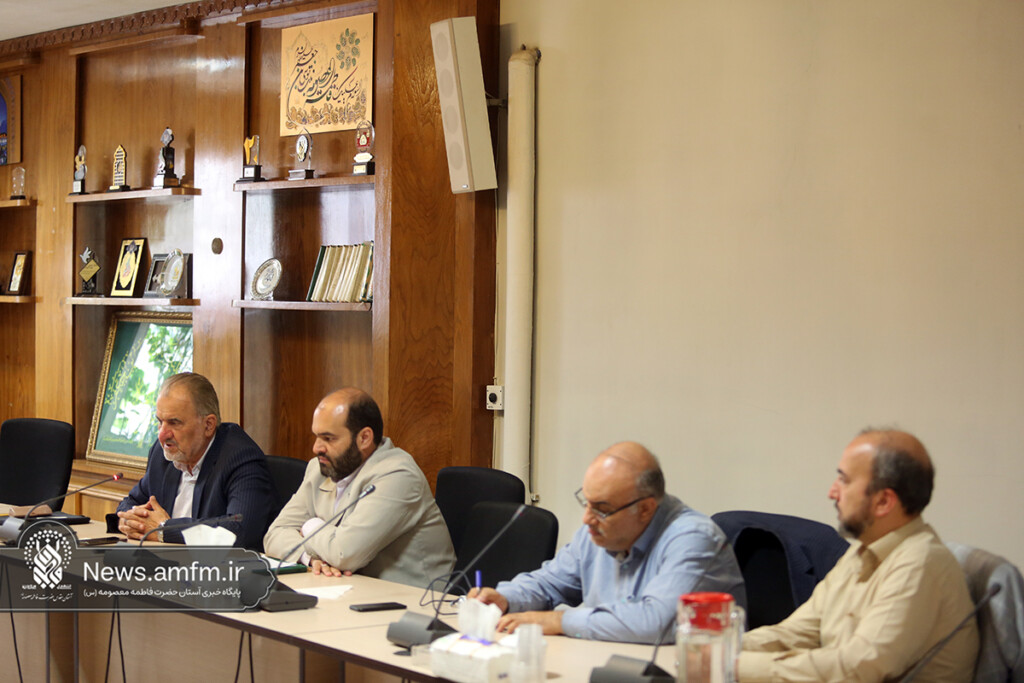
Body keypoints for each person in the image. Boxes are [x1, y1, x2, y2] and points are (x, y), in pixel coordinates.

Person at [738, 429, 979, 683]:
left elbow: (857, 669)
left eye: (844, 480)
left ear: (883, 501)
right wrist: (718, 649)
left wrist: (731, 665)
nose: (832, 492)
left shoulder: (920, 563)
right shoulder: (861, 551)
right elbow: (797, 633)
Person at [469, 441, 746, 644]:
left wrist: (558, 621)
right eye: (586, 502)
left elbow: (656, 622)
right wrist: (506, 598)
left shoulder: (693, 539)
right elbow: (549, 583)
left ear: (646, 509)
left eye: (601, 508)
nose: (587, 519)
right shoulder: (597, 531)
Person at [263, 388, 455, 588]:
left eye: (328, 438)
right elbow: (274, 534)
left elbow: (344, 554)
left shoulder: (398, 475)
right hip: (346, 589)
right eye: (317, 436)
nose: (316, 448)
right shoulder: (319, 468)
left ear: (364, 438)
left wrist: (310, 526)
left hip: (412, 598)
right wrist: (309, 557)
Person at [111, 372, 274, 550]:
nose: (162, 435)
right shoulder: (162, 453)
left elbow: (240, 530)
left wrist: (165, 530)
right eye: (160, 422)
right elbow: (131, 501)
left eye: (174, 423)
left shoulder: (240, 458)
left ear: (208, 425)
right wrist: (129, 520)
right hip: (166, 561)